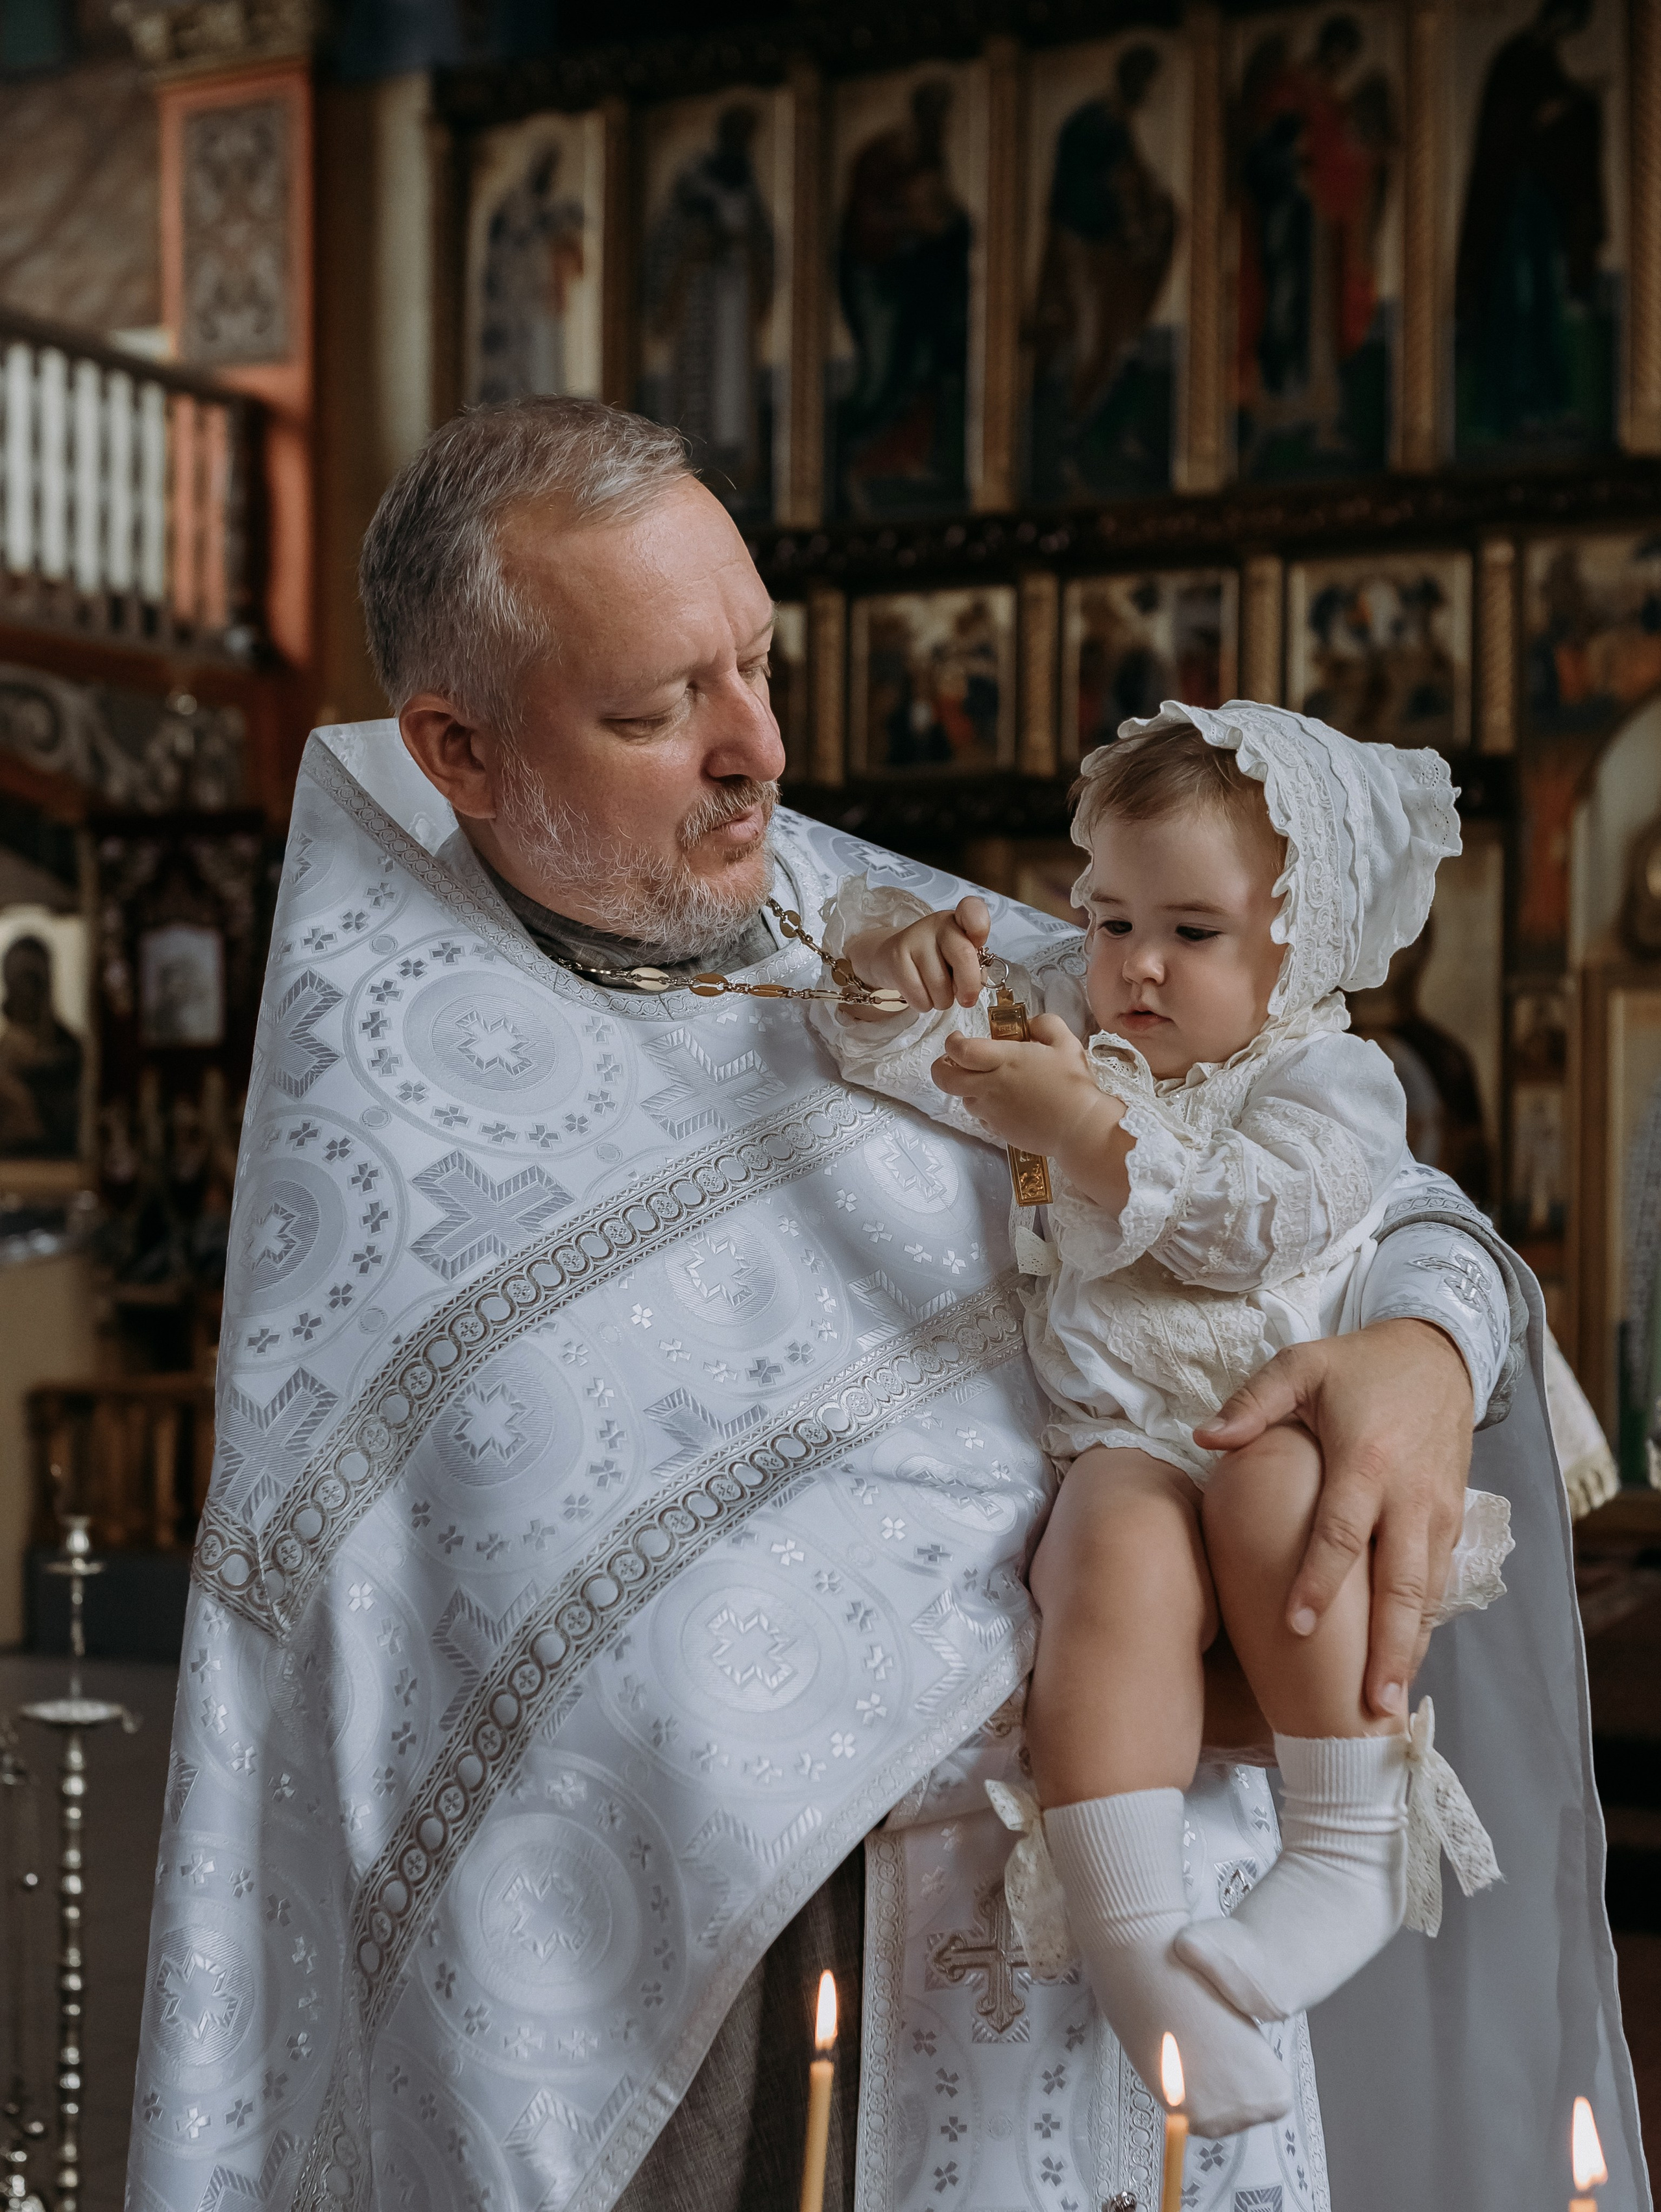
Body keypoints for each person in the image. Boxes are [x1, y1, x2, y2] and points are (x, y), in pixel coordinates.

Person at [127, 400, 1645, 2212]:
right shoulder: (405, 1129)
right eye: (657, 709)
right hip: (777, 2056)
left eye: (759, 662)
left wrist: (1422, 1348)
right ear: (457, 747)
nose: (758, 751)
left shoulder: (906, 926)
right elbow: (515, 1708)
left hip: (1185, 1972)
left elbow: (1360, 1179)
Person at [816, 706, 1512, 2132]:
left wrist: (1079, 1132)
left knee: (1274, 1503)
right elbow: (875, 1051)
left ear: (1293, 946)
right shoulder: (1070, 1023)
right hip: (1123, 1441)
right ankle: (1132, 1933)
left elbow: (1254, 1229)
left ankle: (1347, 1835)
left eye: (1189, 932)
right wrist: (896, 978)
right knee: (1105, 1553)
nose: (1134, 962)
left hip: (1275, 1424)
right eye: (1107, 916)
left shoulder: (1328, 1076)